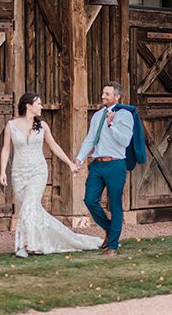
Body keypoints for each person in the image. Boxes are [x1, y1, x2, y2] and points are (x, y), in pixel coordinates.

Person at [0, 92, 102, 258]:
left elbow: (54, 146)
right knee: (31, 210)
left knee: (29, 206)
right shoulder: (11, 125)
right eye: (38, 103)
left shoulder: (43, 126)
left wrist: (69, 163)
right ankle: (49, 240)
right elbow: (6, 149)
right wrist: (3, 170)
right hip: (18, 173)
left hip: (38, 171)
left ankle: (25, 246)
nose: (41, 106)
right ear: (28, 106)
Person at [75, 81, 135, 256]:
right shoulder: (97, 115)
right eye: (103, 93)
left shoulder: (124, 115)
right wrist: (79, 158)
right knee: (89, 200)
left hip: (116, 164)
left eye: (107, 94)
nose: (103, 96)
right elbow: (90, 139)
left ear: (117, 96)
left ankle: (113, 246)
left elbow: (124, 141)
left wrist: (111, 124)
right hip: (97, 165)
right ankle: (110, 230)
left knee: (115, 204)